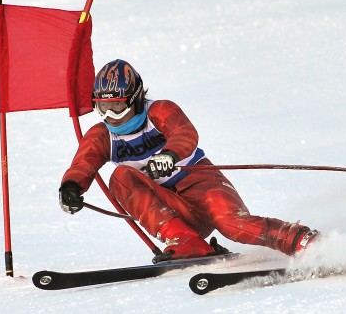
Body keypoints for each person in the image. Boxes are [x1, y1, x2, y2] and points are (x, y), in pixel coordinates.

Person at [59, 59, 320, 262]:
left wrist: (170, 155)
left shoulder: (159, 110)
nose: (111, 115)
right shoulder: (102, 135)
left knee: (233, 225)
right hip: (173, 209)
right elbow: (84, 163)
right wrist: (71, 188)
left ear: (135, 98)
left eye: (117, 106)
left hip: (202, 185)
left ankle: (301, 241)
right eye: (102, 107)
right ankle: (184, 241)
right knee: (120, 177)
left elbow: (185, 133)